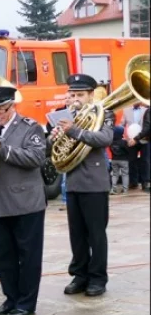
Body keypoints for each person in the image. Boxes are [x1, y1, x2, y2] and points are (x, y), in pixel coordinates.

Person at [0, 86, 47, 315]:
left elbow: (36, 158)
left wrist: (2, 150)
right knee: (5, 255)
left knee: (28, 254)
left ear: (12, 106)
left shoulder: (30, 128)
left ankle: (26, 302)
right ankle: (11, 298)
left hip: (25, 201)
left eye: (1, 109)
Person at [53, 74, 114, 297]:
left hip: (94, 183)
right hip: (73, 182)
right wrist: (56, 136)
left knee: (96, 233)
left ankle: (98, 278)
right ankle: (80, 275)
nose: (75, 99)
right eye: (72, 95)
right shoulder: (68, 116)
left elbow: (105, 139)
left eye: (80, 95)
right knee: (76, 233)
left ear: (90, 95)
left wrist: (74, 131)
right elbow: (56, 147)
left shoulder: (104, 113)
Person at [124, 100, 149, 189]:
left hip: (144, 139)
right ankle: (133, 182)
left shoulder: (146, 109)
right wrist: (124, 137)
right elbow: (122, 124)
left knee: (145, 161)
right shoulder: (126, 110)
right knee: (131, 161)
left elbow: (147, 126)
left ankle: (145, 181)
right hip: (131, 139)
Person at [110, 123, 130, 194]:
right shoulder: (124, 142)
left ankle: (113, 189)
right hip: (124, 160)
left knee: (115, 174)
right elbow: (128, 150)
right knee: (125, 174)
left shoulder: (111, 142)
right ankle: (125, 190)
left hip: (114, 160)